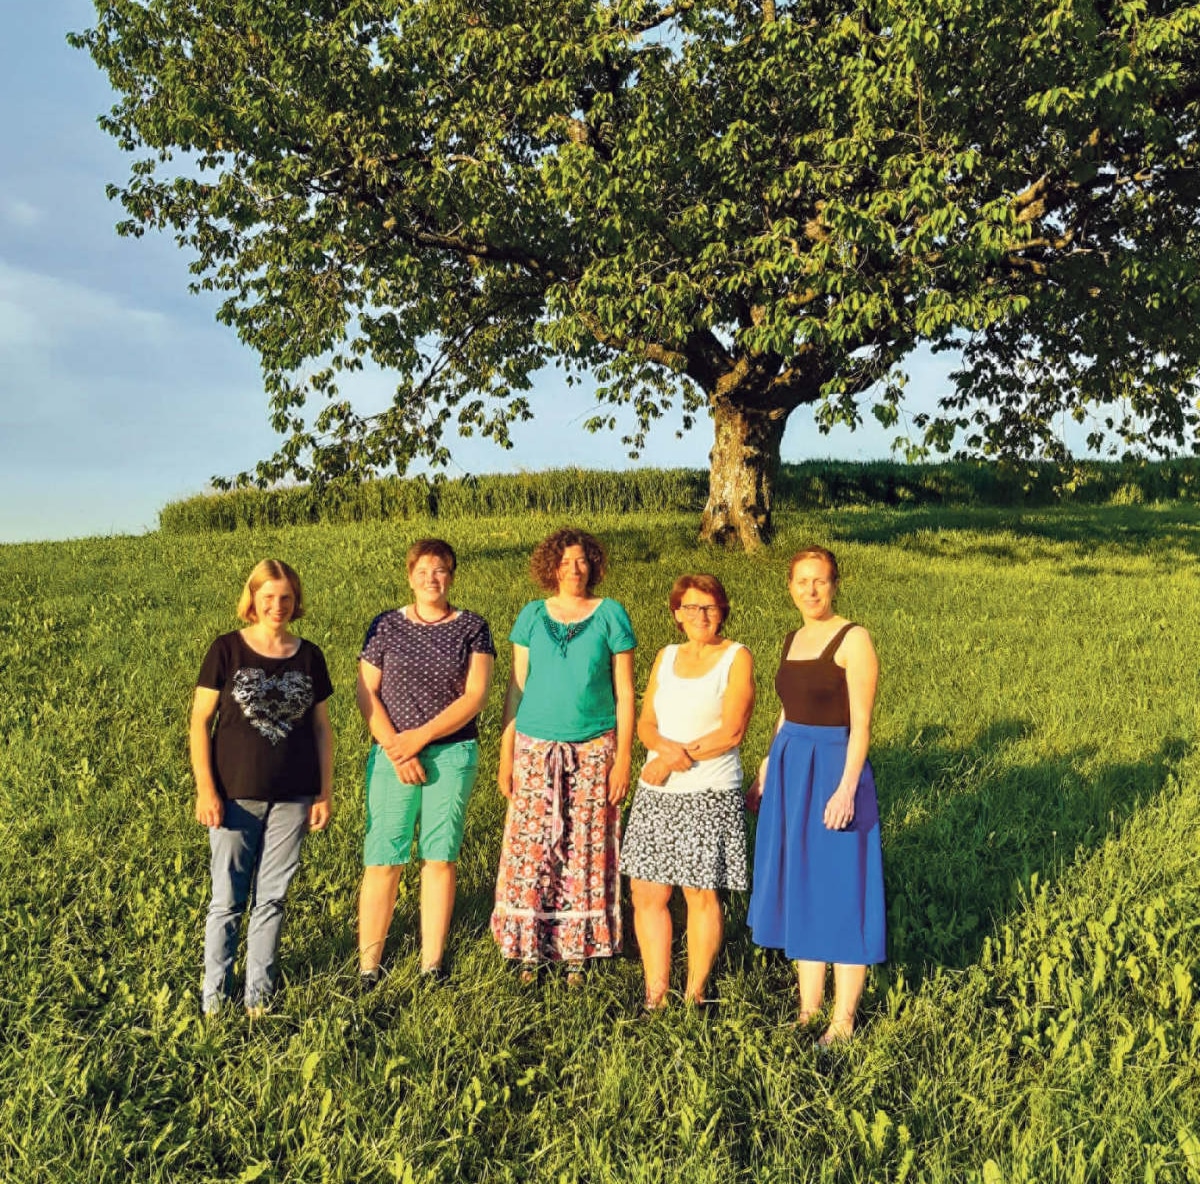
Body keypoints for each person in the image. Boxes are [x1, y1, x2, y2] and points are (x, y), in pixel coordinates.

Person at [746, 546, 884, 1044]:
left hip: (833, 768)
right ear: (789, 586)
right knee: (801, 882)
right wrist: (766, 768)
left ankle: (843, 1021)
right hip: (790, 767)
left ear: (835, 583)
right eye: (802, 581)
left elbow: (863, 723)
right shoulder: (793, 638)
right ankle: (808, 1012)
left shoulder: (854, 639)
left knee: (842, 888)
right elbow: (786, 711)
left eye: (820, 581)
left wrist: (847, 788)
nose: (811, 590)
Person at [491, 528, 636, 981]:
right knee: (532, 850)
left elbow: (626, 692)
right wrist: (506, 753)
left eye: (582, 561)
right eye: (566, 561)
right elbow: (516, 689)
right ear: (551, 567)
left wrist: (624, 757)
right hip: (534, 748)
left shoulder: (611, 614)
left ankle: (578, 950)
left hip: (594, 749)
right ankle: (530, 947)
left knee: (585, 850)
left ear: (593, 565)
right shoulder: (532, 615)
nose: (575, 569)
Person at [190, 559, 334, 1016]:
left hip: (294, 796)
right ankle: (214, 999)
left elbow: (322, 730)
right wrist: (206, 790)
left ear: (296, 600)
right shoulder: (226, 650)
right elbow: (199, 722)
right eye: (268, 597)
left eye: (286, 597)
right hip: (233, 795)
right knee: (227, 901)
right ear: (252, 598)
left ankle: (259, 999)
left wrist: (325, 792)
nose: (277, 606)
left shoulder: (310, 656)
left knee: (272, 899)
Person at [355, 539, 495, 987]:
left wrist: (422, 738)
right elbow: (366, 692)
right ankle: (368, 967)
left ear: (451, 576)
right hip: (391, 753)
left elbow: (475, 697)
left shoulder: (473, 627)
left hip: (451, 753)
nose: (431, 578)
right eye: (423, 570)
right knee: (383, 859)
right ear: (409, 574)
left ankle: (431, 964)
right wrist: (398, 747)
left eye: (440, 570)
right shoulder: (385, 626)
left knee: (439, 856)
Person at [621, 574, 755, 1010]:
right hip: (656, 791)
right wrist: (661, 753)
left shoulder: (736, 657)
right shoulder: (666, 655)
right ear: (677, 613)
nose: (701, 616)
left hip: (708, 788)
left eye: (710, 607)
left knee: (699, 892)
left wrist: (673, 760)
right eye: (692, 607)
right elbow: (644, 723)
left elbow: (732, 731)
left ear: (723, 611)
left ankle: (695, 994)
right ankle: (655, 994)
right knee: (648, 893)